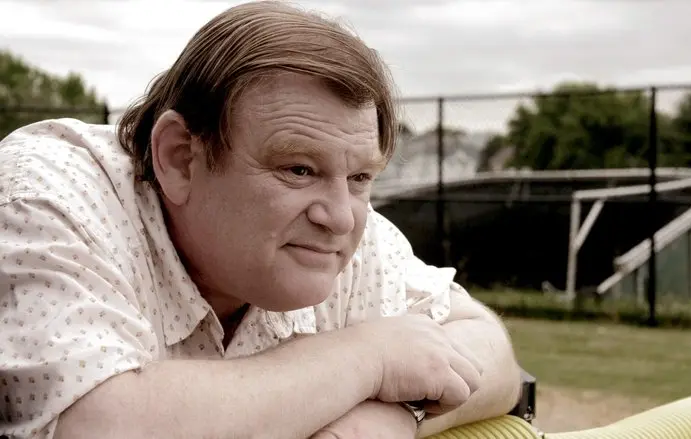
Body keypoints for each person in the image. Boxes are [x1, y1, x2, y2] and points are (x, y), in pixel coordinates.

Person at [0, 2, 522, 438]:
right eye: (298, 169)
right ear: (181, 159)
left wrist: (389, 418)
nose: (340, 218)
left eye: (362, 177)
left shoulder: (339, 232)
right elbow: (97, 425)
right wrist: (366, 359)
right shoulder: (42, 195)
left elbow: (489, 349)